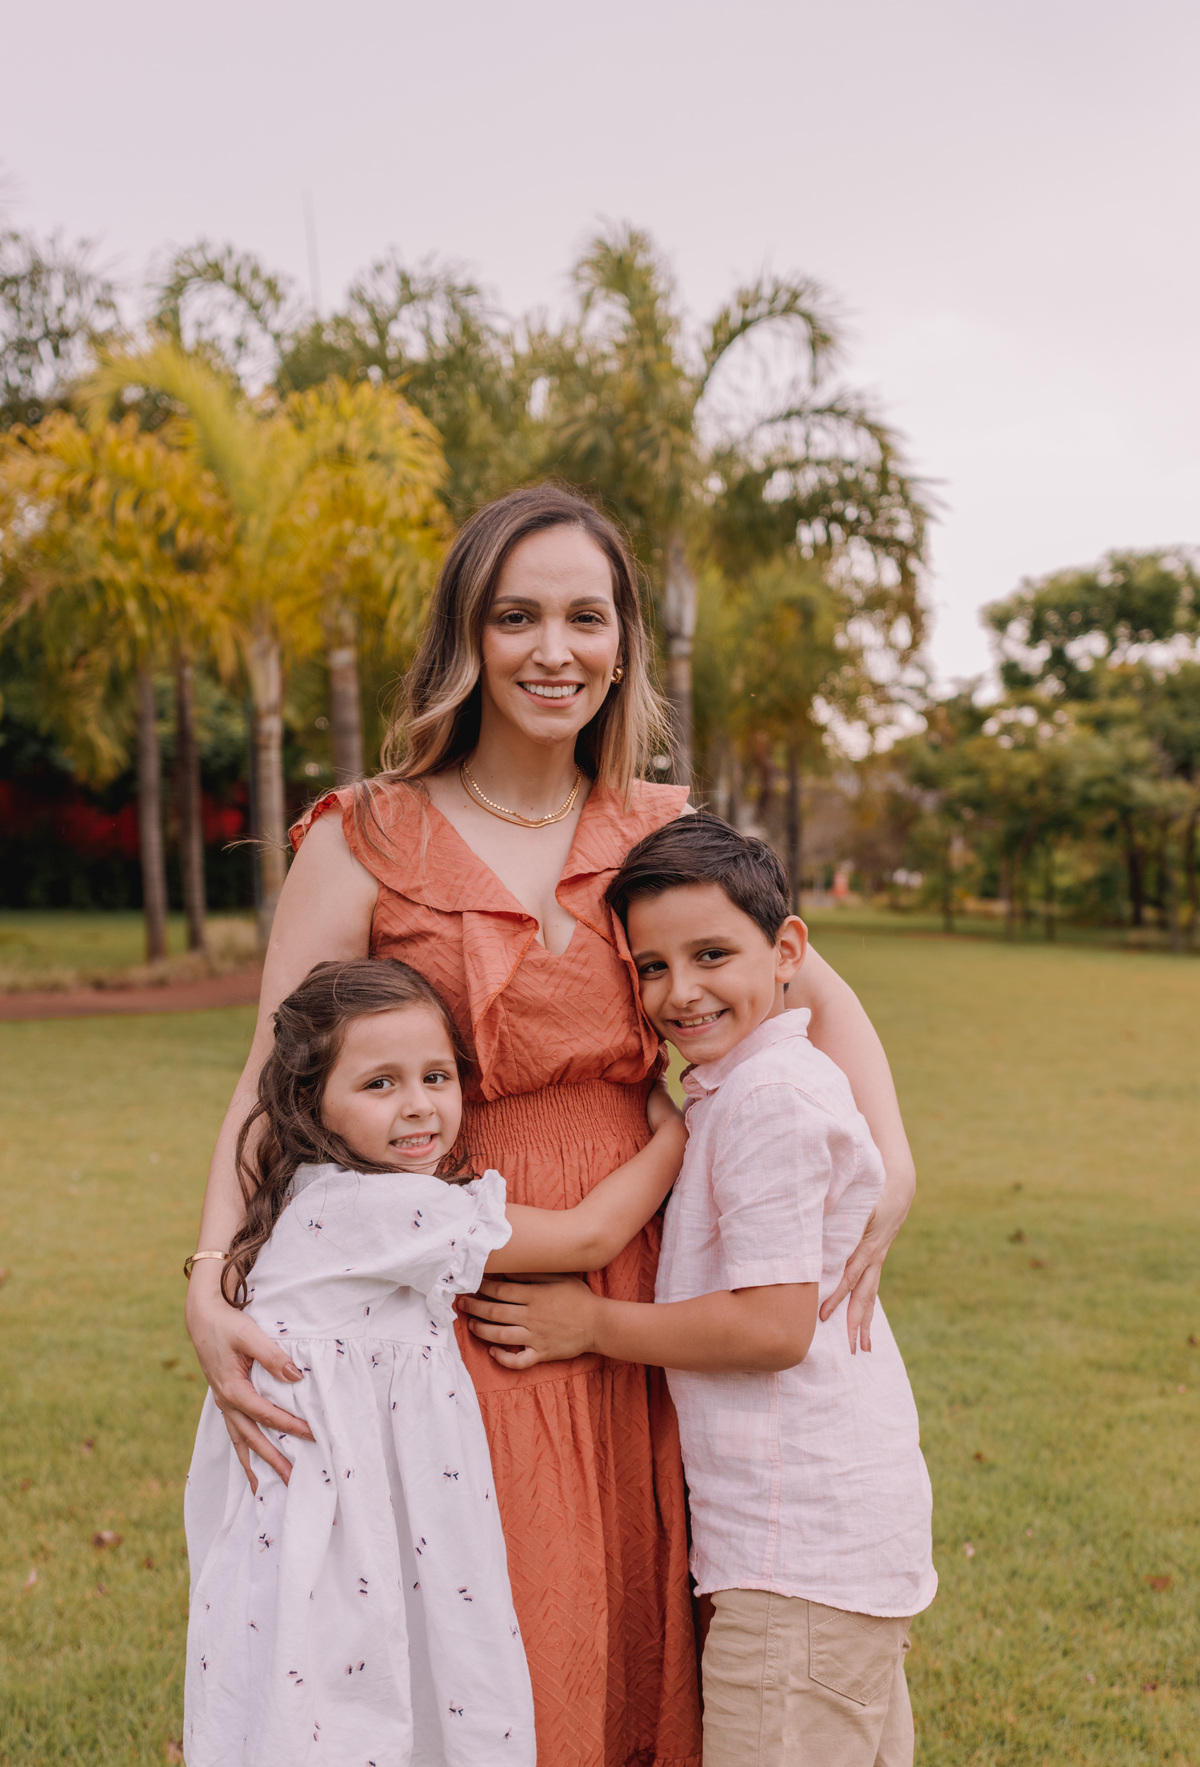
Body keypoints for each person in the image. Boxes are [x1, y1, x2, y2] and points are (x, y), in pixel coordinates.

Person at [185, 483, 919, 1767]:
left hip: (654, 1270)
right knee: (511, 1623)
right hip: (474, 1283)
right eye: (516, 615)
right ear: (465, 635)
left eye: (587, 616)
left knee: (657, 1613)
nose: (553, 649)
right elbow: (271, 1070)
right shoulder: (365, 835)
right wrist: (210, 1279)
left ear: (624, 641)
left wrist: (894, 1169)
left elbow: (816, 986)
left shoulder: (663, 825)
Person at [462, 813, 936, 1767]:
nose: (681, 993)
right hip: (828, 1544)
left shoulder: (770, 1101)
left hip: (794, 1557)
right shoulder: (744, 1085)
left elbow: (771, 1327)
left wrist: (590, 1322)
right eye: (651, 968)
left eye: (712, 954)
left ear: (788, 949)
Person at [184, 956, 686, 1767]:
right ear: (311, 1103)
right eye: (380, 1085)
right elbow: (593, 1236)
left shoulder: (312, 1193)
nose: (419, 1107)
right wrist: (676, 1133)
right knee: (375, 1686)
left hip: (307, 1507)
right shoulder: (393, 1208)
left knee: (313, 1698)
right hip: (342, 1511)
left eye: (437, 1076)